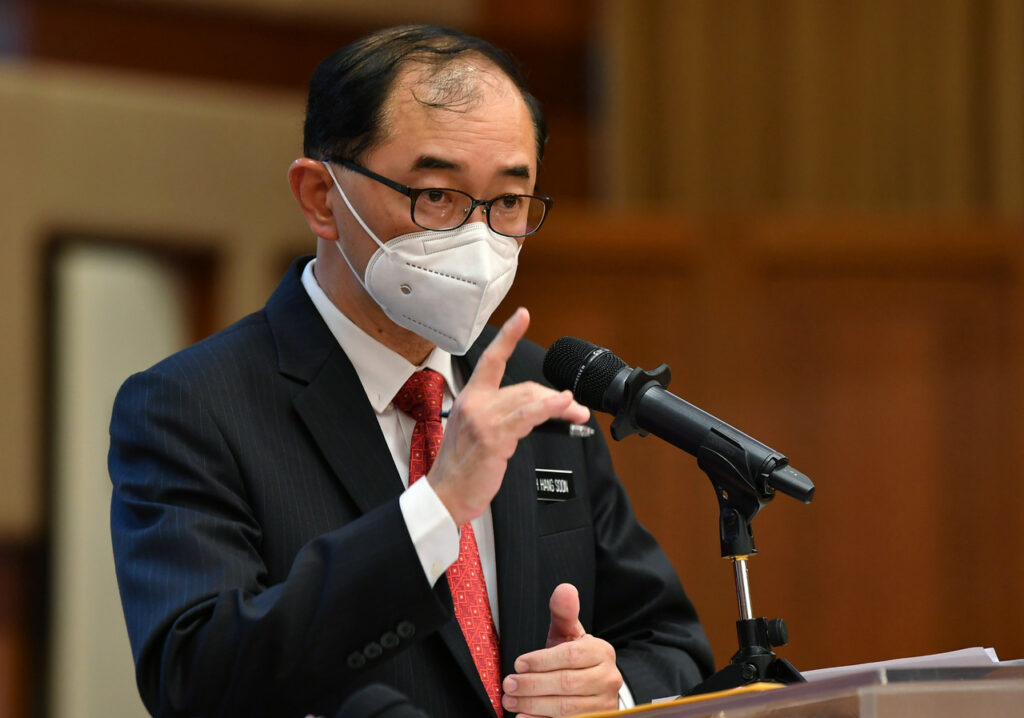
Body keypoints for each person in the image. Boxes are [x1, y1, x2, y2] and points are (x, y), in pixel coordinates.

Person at [109, 24, 713, 718]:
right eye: (436, 196)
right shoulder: (191, 406)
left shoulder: (535, 385)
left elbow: (670, 642)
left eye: (508, 202)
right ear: (321, 197)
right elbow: (195, 677)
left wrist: (612, 688)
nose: (478, 238)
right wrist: (437, 507)